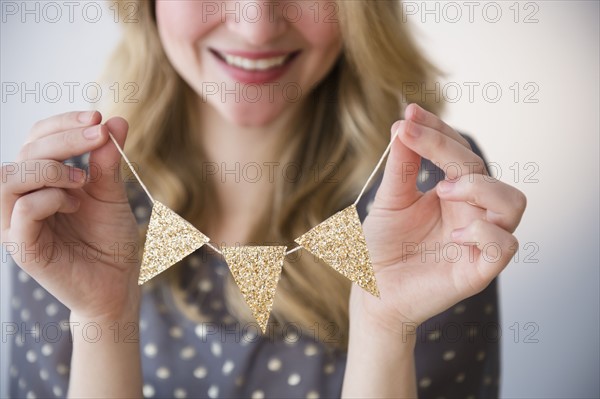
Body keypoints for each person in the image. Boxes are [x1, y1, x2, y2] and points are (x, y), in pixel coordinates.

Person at [2, 1, 526, 398]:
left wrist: (386, 328)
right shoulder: (69, 195)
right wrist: (101, 320)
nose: (256, 25)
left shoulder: (427, 187)